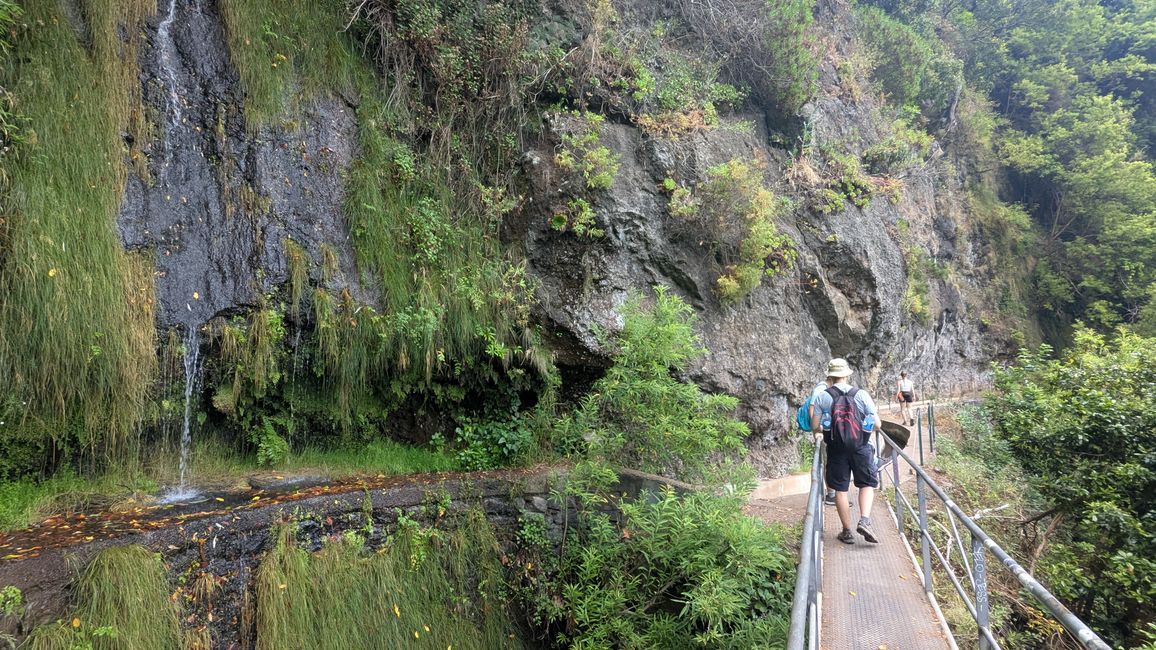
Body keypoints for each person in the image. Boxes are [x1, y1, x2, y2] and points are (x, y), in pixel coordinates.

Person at [811, 358, 880, 545]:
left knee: (841, 490)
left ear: (830, 376)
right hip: (861, 447)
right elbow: (877, 424)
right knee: (866, 484)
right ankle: (864, 520)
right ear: (847, 375)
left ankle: (847, 531)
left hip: (836, 449)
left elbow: (815, 425)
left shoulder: (822, 397)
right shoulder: (861, 395)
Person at [806, 378, 837, 505]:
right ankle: (831, 495)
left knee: (830, 460)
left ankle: (833, 493)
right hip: (822, 431)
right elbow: (811, 410)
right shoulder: (821, 389)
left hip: (827, 430)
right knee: (827, 461)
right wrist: (818, 429)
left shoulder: (828, 389)